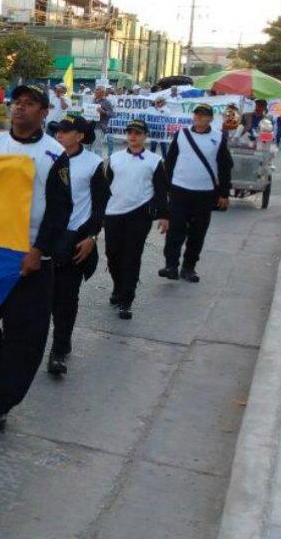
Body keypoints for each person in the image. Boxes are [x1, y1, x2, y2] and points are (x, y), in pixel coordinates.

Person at [0, 85, 72, 431]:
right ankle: (3, 371)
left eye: (30, 104)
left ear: (44, 112)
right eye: (17, 102)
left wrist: (38, 250)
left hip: (32, 261)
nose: (20, 108)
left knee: (25, 337)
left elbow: (60, 209)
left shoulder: (54, 154)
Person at [45, 115, 107, 376]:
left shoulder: (93, 164)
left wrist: (91, 236)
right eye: (58, 130)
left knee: (66, 300)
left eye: (66, 131)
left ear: (80, 136)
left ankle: (59, 350)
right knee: (42, 299)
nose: (60, 134)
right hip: (44, 239)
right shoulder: (46, 156)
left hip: (74, 241)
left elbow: (100, 205)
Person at [102, 119, 170, 321]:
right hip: (113, 213)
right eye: (130, 132)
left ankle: (126, 300)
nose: (133, 136)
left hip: (139, 214)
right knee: (113, 254)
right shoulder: (115, 158)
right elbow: (105, 187)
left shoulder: (154, 161)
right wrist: (99, 214)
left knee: (132, 256)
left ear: (145, 136)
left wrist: (164, 215)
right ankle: (118, 287)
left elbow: (161, 190)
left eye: (138, 133)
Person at [159, 104, 232, 284]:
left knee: (197, 232)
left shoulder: (218, 138)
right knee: (175, 230)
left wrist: (224, 193)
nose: (199, 117)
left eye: (203, 115)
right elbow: (170, 162)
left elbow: (224, 166)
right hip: (179, 189)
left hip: (204, 193)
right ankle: (171, 266)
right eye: (197, 114)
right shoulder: (181, 135)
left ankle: (189, 267)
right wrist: (166, 187)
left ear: (211, 119)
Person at [93, 86, 116, 156]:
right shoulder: (93, 101)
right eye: (95, 89)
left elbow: (112, 114)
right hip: (91, 126)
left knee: (97, 148)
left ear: (102, 92)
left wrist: (103, 112)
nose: (95, 91)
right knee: (88, 147)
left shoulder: (106, 102)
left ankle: (99, 162)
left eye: (97, 90)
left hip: (100, 127)